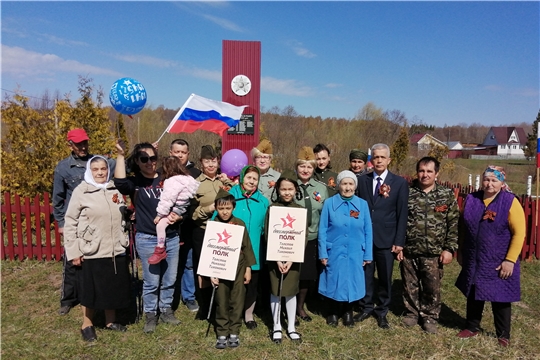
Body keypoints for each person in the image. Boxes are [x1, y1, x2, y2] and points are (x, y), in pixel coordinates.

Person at [114, 141, 182, 333]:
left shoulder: (167, 177)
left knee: (170, 278)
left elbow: (183, 197)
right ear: (137, 161)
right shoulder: (135, 183)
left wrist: (180, 214)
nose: (149, 162)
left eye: (153, 158)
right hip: (147, 238)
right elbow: (119, 182)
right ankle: (151, 313)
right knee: (152, 281)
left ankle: (166, 309)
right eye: (144, 159)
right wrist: (120, 155)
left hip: (171, 237)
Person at [455, 166, 525, 347]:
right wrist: (461, 251)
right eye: (486, 179)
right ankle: (471, 326)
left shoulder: (510, 201)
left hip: (499, 259)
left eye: (494, 180)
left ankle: (503, 334)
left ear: (502, 182)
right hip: (474, 257)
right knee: (473, 292)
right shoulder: (471, 199)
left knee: (500, 296)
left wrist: (509, 260)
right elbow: (462, 228)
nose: (489, 183)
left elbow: (519, 233)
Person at [63, 155, 130, 341]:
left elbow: (119, 210)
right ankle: (87, 324)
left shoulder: (113, 188)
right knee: (90, 289)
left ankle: (110, 321)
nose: (100, 172)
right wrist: (74, 251)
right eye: (96, 169)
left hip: (115, 247)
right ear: (89, 171)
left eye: (103, 169)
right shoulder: (81, 191)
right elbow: (70, 222)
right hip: (92, 248)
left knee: (112, 286)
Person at [53, 128, 115, 316]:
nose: (83, 147)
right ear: (69, 144)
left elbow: (123, 164)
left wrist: (140, 152)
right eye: (78, 143)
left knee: (93, 263)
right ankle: (68, 299)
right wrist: (62, 223)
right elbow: (58, 198)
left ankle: (94, 296)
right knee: (72, 262)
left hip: (94, 222)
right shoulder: (63, 168)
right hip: (75, 221)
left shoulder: (99, 162)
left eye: (85, 142)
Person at [397, 157, 459, 334]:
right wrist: (399, 245)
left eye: (429, 171)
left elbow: (453, 223)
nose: (425, 175)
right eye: (422, 171)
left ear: (436, 174)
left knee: (432, 286)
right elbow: (399, 220)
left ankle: (430, 316)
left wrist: (449, 248)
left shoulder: (445, 195)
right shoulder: (407, 192)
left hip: (434, 251)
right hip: (410, 249)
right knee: (410, 284)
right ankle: (411, 312)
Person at [354, 143, 408, 329]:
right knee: (366, 274)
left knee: (385, 277)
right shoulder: (362, 180)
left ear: (389, 160)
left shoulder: (399, 183)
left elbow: (402, 214)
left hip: (387, 239)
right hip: (365, 238)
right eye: (375, 157)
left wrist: (399, 241)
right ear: (371, 160)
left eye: (382, 157)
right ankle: (366, 306)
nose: (378, 160)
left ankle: (382, 310)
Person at [319, 170, 373, 327]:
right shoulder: (329, 203)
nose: (347, 187)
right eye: (344, 183)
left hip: (355, 251)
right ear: (338, 185)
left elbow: (368, 231)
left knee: (352, 280)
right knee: (334, 279)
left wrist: (367, 254)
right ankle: (333, 311)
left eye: (351, 184)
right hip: (334, 250)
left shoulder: (362, 205)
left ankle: (348, 311)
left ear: (355, 186)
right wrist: (323, 252)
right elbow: (322, 230)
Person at [191, 145, 235, 319]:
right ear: (201, 163)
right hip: (203, 231)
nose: (211, 164)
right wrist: (208, 209)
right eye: (207, 161)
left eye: (214, 160)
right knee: (204, 270)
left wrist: (228, 182)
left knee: (222, 268)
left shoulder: (222, 182)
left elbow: (235, 196)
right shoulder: (195, 184)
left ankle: (221, 304)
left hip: (223, 232)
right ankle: (204, 306)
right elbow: (192, 215)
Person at [209, 189, 256, 349]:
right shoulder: (213, 226)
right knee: (221, 300)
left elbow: (247, 246)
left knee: (237, 299)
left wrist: (248, 268)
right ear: (216, 208)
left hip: (239, 266)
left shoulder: (239, 223)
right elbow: (209, 251)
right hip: (220, 267)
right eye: (221, 208)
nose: (224, 212)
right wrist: (211, 273)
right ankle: (222, 331)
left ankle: (234, 330)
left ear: (233, 208)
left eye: (228, 208)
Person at [265, 170, 305, 344]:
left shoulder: (300, 210)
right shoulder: (272, 208)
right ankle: (276, 326)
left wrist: (290, 259)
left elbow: (301, 237)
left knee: (290, 292)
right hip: (275, 258)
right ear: (278, 190)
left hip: (293, 259)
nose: (287, 192)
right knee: (276, 290)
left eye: (290, 189)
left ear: (295, 190)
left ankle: (291, 327)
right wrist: (277, 259)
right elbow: (268, 234)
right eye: (283, 189)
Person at [228, 165, 269, 329]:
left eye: (255, 179)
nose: (251, 181)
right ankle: (232, 312)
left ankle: (249, 314)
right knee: (233, 284)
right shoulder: (230, 196)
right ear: (242, 178)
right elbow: (218, 218)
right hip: (233, 250)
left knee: (252, 285)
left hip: (255, 250)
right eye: (249, 177)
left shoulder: (263, 201)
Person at [294, 146, 330, 323]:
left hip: (312, 237)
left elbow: (325, 214)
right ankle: (289, 306)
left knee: (307, 275)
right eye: (302, 166)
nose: (305, 170)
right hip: (292, 238)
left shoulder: (321, 188)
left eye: (309, 166)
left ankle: (300, 307)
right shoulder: (289, 185)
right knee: (292, 273)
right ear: (297, 167)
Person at [169, 139, 201, 312]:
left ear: (188, 154)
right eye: (176, 151)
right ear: (170, 153)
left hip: (188, 225)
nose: (179, 155)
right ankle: (170, 296)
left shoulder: (195, 174)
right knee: (169, 264)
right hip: (168, 228)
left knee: (188, 263)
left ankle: (189, 296)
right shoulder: (163, 172)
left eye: (183, 152)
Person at [149, 156, 199, 265]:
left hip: (176, 207)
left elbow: (167, 199)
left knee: (160, 225)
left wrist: (160, 214)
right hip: (183, 206)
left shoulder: (172, 181)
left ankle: (160, 249)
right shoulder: (188, 178)